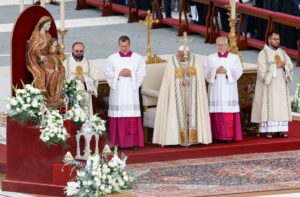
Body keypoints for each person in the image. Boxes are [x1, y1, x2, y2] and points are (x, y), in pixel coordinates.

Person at [152, 45, 212, 146]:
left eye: (186, 54)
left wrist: (190, 78)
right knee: (177, 113)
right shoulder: (172, 62)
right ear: (177, 53)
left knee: (192, 111)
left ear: (189, 53)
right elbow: (169, 80)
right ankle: (176, 139)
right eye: (181, 54)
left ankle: (193, 138)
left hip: (192, 93)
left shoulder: (195, 61)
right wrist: (180, 80)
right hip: (176, 95)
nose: (184, 56)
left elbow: (200, 79)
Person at [104, 35, 146, 150]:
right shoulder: (112, 58)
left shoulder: (138, 58)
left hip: (131, 93)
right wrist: (119, 73)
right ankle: (117, 142)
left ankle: (132, 143)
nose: (124, 48)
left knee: (131, 116)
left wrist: (132, 73)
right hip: (118, 92)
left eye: (126, 46)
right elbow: (108, 73)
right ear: (119, 45)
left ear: (130, 44)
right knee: (118, 115)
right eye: (122, 46)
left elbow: (142, 73)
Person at [251, 32, 293, 138]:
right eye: (274, 39)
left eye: (278, 39)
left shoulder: (282, 52)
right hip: (269, 86)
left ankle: (280, 130)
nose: (277, 41)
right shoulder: (263, 53)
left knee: (280, 106)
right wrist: (276, 66)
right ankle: (268, 130)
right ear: (269, 40)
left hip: (281, 85)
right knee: (271, 105)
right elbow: (261, 71)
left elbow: (290, 65)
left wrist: (285, 67)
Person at [204, 36, 243, 142]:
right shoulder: (210, 57)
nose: (220, 47)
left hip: (228, 89)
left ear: (227, 45)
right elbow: (205, 72)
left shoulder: (234, 58)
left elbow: (239, 71)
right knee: (216, 113)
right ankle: (215, 135)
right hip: (215, 88)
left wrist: (226, 72)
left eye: (222, 45)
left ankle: (228, 136)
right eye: (218, 45)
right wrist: (215, 71)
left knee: (227, 113)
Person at [27, 16, 65, 107]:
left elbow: (52, 48)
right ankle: (48, 96)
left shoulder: (48, 35)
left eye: (50, 24)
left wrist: (57, 48)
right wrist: (40, 56)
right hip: (41, 60)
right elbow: (33, 49)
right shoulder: (36, 35)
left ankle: (56, 95)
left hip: (50, 56)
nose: (49, 26)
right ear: (43, 24)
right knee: (52, 71)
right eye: (48, 24)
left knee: (61, 69)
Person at [63, 42, 99, 117]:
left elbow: (95, 78)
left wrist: (86, 79)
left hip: (86, 94)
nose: (79, 53)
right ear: (72, 51)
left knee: (86, 115)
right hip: (72, 95)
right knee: (74, 115)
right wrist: (74, 78)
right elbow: (62, 80)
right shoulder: (66, 64)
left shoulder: (88, 63)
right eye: (77, 51)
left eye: (81, 51)